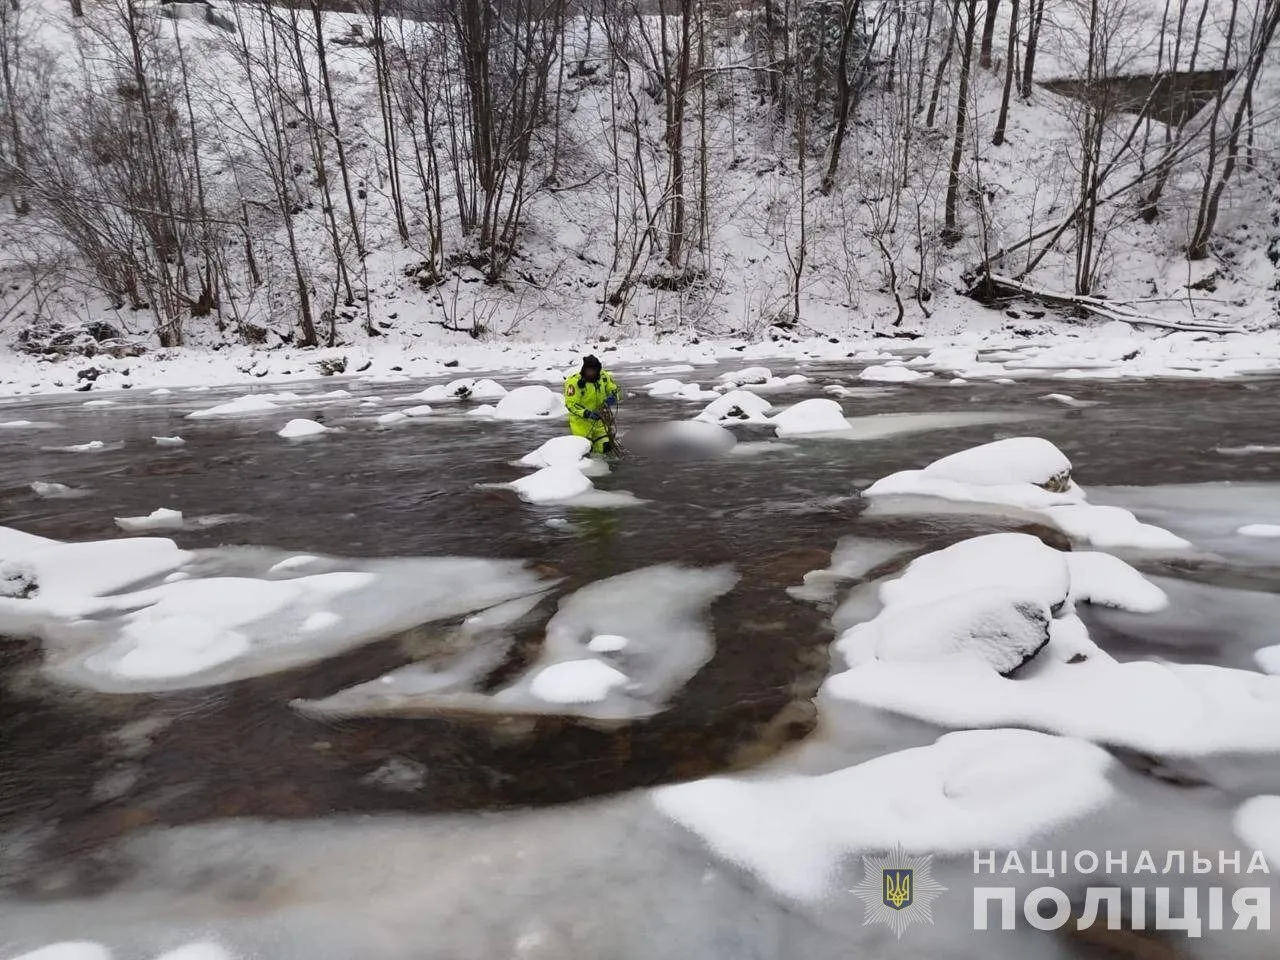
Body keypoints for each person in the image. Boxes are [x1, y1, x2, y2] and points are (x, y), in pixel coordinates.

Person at [564, 355, 621, 454]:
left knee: (607, 448)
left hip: (600, 421)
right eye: (588, 370)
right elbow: (571, 404)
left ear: (598, 370)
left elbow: (615, 389)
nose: (590, 373)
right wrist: (587, 413)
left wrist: (613, 397)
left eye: (593, 371)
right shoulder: (574, 383)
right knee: (586, 451)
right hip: (581, 423)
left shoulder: (603, 377)